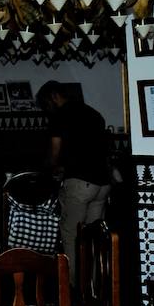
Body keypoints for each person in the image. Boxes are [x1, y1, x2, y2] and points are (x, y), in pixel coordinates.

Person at [38, 80, 111, 278]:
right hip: (103, 183)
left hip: (80, 183)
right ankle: (95, 283)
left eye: (46, 103)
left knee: (71, 234)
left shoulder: (59, 116)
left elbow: (55, 152)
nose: (46, 108)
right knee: (93, 235)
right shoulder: (94, 114)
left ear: (53, 96)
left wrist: (50, 168)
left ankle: (74, 285)